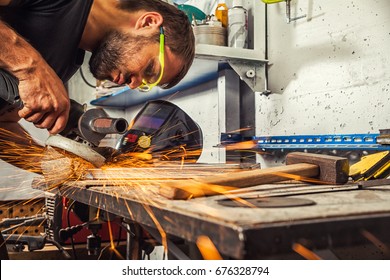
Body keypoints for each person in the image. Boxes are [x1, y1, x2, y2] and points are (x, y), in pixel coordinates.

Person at [0, 0, 195, 135]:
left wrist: (49, 164)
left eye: (145, 83)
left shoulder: (65, 65)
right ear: (149, 22)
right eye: (151, 69)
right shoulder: (38, 68)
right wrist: (31, 68)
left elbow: (4, 124)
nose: (134, 85)